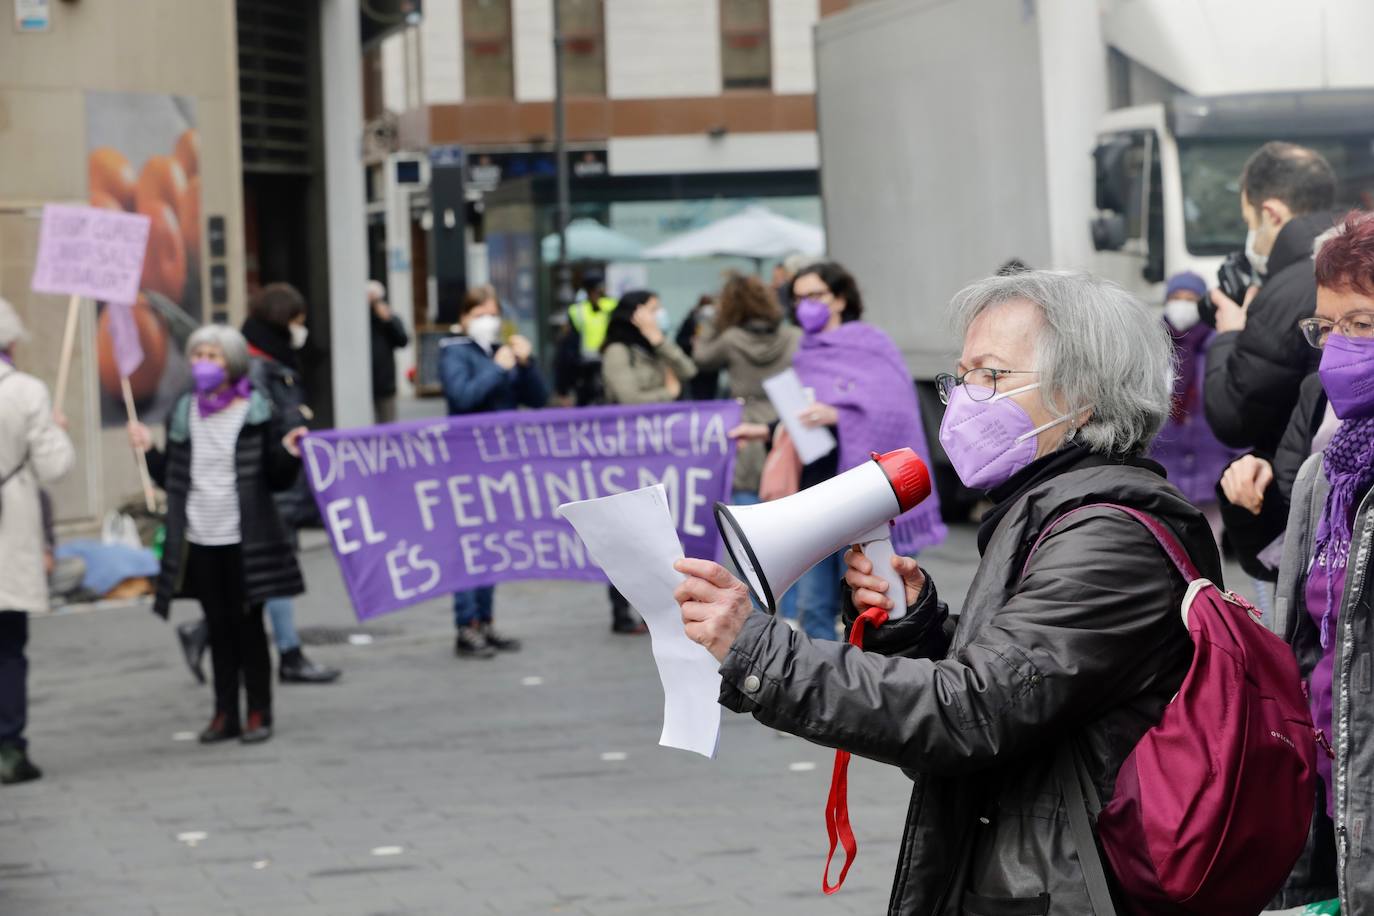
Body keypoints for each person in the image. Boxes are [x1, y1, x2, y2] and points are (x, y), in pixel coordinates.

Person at [673, 269, 1219, 910]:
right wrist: (921, 628)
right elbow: (1033, 685)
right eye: (961, 377)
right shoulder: (1048, 514)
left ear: (1082, 394)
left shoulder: (1104, 539)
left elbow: (974, 714)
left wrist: (762, 652)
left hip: (1077, 885)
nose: (963, 399)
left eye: (990, 376)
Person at [1262, 212, 1374, 910]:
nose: (1337, 349)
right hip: (1329, 811)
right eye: (1326, 329)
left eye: (1360, 324)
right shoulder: (1324, 473)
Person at [129, 324, 308, 744]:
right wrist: (147, 451)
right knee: (218, 626)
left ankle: (258, 712)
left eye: (213, 356)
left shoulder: (255, 409)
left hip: (247, 537)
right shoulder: (184, 410)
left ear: (232, 363)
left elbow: (276, 479)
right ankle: (224, 713)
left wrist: (291, 452)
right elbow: (171, 474)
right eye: (198, 356)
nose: (203, 364)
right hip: (201, 536)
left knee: (249, 628)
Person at [774, 261, 944, 640]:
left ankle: (874, 679)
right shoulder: (804, 352)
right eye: (799, 298)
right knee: (815, 602)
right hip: (815, 489)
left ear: (839, 298)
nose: (806, 306)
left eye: (815, 295)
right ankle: (820, 686)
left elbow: (894, 409)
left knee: (879, 598)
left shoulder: (871, 343)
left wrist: (836, 414)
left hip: (865, 492)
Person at [1204, 141, 1336, 457]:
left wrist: (1230, 335)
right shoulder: (1350, 266)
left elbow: (1233, 418)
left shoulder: (1286, 292)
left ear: (1272, 214)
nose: (1251, 234)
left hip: (1302, 484)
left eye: (1250, 222)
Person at [439, 286, 547, 657]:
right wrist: (495, 368)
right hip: (467, 463)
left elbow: (538, 398)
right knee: (469, 545)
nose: (490, 320)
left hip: (501, 464)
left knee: (491, 545)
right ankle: (465, 626)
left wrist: (526, 363)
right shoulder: (454, 352)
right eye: (482, 313)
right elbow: (463, 396)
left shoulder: (497, 352)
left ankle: (485, 620)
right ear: (466, 316)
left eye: (494, 313)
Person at [241, 284, 339, 684]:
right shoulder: (256, 367)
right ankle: (289, 653)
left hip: (279, 480)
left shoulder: (275, 362)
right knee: (275, 570)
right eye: (299, 322)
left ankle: (205, 635)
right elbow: (262, 431)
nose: (303, 331)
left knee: (268, 574)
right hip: (268, 484)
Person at [691, 274, 801, 618]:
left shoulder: (730, 339)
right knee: (794, 530)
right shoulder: (793, 337)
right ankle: (794, 613)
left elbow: (700, 358)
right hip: (785, 427)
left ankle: (758, 612)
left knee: (748, 532)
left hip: (746, 426)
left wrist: (711, 322)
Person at [0, 297, 75, 784]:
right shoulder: (25, 391)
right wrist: (56, 433)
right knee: (8, 646)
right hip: (9, 523)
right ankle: (9, 748)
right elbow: (53, 466)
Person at [601, 290, 697, 633]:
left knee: (661, 526)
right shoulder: (617, 351)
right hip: (630, 453)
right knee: (630, 530)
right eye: (654, 310)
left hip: (662, 450)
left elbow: (688, 369)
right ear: (635, 314)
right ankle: (622, 608)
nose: (661, 314)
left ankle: (660, 603)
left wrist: (660, 339)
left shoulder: (654, 347)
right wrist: (667, 395)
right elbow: (628, 398)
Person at [1149, 271, 1242, 543]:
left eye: (1191, 298)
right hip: (1162, 470)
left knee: (1207, 551)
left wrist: (1239, 459)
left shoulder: (1220, 347)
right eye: (1176, 297)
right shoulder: (1151, 348)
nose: (1182, 304)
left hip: (1211, 469)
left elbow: (1236, 406)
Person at [369, 280, 409, 423]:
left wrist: (388, 320)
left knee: (387, 422)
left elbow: (403, 340)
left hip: (385, 383)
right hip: (366, 382)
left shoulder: (388, 317)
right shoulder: (362, 320)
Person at [674, 294, 723, 401]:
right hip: (694, 365)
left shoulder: (717, 323)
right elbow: (679, 340)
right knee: (695, 393)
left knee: (710, 393)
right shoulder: (691, 320)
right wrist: (690, 342)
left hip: (711, 365)